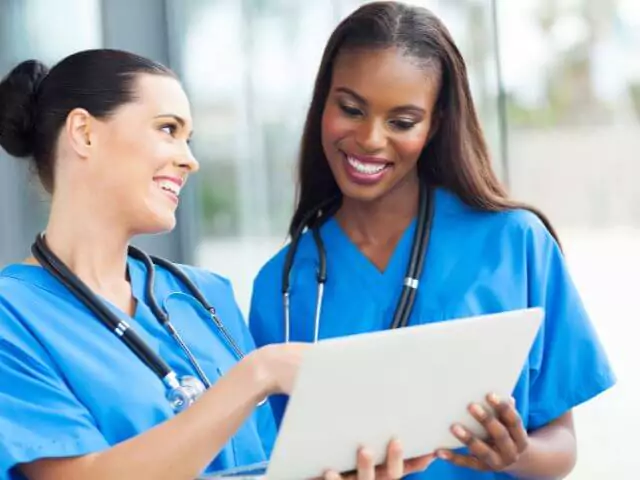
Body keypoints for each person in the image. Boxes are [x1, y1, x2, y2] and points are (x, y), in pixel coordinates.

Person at [0, 49, 433, 480]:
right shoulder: (13, 317)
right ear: (84, 133)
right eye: (168, 129)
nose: (190, 159)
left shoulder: (204, 295)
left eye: (187, 138)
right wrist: (257, 374)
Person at [248, 2, 616, 479]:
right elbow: (270, 462)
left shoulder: (515, 244)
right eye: (351, 109)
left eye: (401, 122)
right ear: (322, 103)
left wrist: (515, 454)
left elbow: (562, 446)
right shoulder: (280, 284)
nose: (370, 139)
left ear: (434, 123)